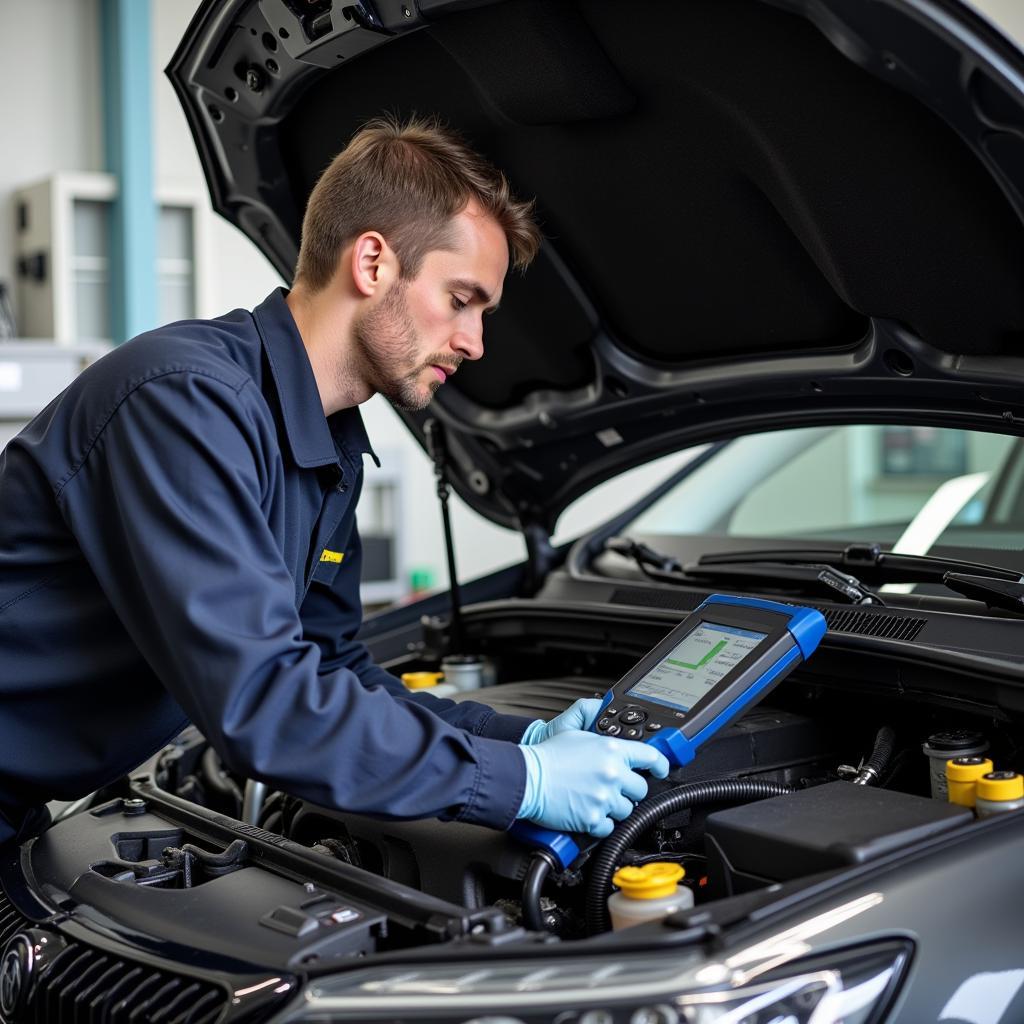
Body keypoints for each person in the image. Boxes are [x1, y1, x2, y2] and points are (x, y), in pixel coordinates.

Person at [0, 116, 667, 847]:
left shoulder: (330, 447)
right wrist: (522, 786)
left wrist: (521, 741)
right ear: (373, 263)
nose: (476, 343)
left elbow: (331, 668)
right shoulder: (183, 401)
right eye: (461, 300)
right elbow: (266, 706)